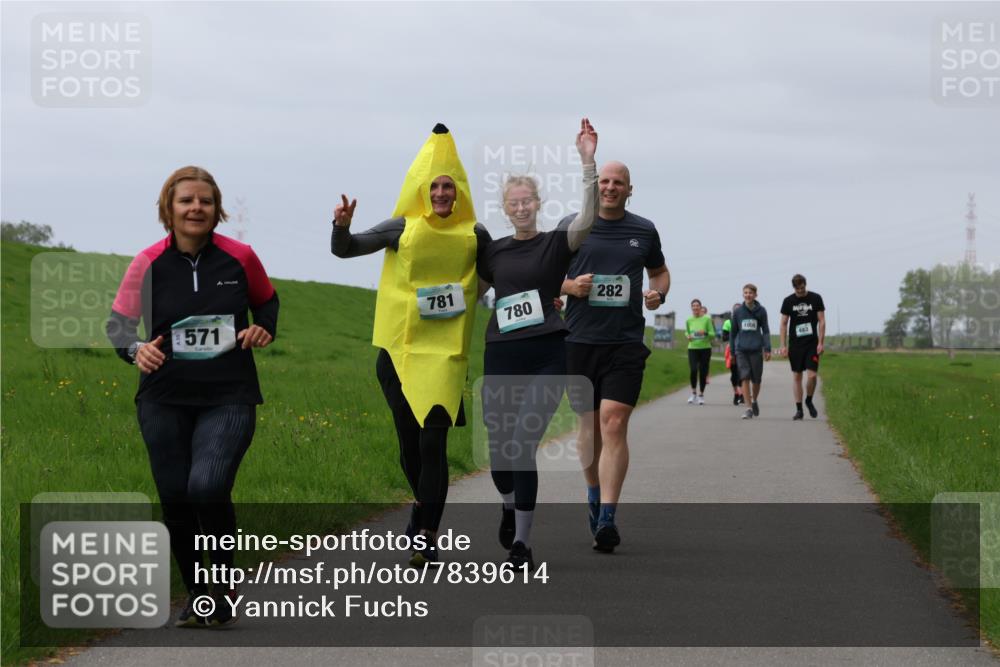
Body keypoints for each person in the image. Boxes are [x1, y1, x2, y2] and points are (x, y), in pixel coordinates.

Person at [107, 166, 279, 627]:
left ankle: (221, 583)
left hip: (229, 393)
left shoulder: (240, 257)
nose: (196, 208)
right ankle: (199, 593)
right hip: (163, 395)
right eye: (186, 200)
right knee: (176, 496)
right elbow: (118, 325)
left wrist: (264, 327)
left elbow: (267, 301)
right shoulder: (147, 262)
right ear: (169, 208)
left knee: (207, 486)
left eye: (205, 200)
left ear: (216, 208)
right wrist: (134, 350)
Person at [331, 124, 490, 567]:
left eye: (449, 186)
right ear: (422, 190)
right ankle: (422, 507)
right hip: (398, 354)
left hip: (444, 356)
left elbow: (505, 273)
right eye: (434, 186)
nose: (441, 193)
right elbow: (346, 250)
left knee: (432, 443)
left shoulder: (475, 234)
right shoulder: (402, 226)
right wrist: (340, 227)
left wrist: (550, 289)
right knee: (408, 443)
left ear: (459, 191)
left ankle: (426, 534)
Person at [479, 118, 598, 569]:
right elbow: (465, 289)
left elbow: (586, 218)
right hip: (502, 354)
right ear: (506, 209)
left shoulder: (555, 243)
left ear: (537, 204)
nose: (521, 206)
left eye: (527, 199)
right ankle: (508, 505)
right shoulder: (493, 252)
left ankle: (522, 545)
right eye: (514, 202)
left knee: (524, 440)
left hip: (549, 352)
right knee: (500, 450)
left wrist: (587, 161)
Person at [560, 161, 670, 553]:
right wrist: (571, 286)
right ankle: (593, 495)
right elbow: (545, 273)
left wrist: (659, 294)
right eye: (604, 181)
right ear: (595, 187)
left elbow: (659, 272)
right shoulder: (572, 226)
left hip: (624, 343)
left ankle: (607, 515)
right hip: (578, 341)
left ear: (629, 189)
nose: (610, 187)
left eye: (617, 183)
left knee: (614, 422)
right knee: (588, 428)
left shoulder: (643, 230)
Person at [779, 274, 826, 420]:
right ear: (793, 287)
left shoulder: (816, 298)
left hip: (812, 343)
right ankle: (799, 409)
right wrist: (783, 346)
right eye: (797, 289)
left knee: (812, 375)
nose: (799, 291)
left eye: (802, 288)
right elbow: (783, 323)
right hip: (796, 345)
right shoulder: (788, 301)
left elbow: (822, 321)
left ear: (805, 284)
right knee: (797, 376)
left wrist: (821, 342)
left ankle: (809, 400)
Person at [729, 284, 771, 419]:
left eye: (750, 293)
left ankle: (754, 400)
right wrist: (732, 352)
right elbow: (733, 333)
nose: (748, 295)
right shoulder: (738, 312)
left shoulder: (761, 311)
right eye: (745, 293)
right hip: (741, 349)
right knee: (744, 377)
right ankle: (748, 408)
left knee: (757, 380)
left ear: (755, 295)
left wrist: (767, 348)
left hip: (756, 350)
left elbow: (765, 330)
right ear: (743, 294)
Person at [685, 298, 714, 405]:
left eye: (697, 306)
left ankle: (701, 394)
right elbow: (687, 332)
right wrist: (687, 336)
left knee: (703, 371)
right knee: (693, 370)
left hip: (705, 348)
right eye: (693, 306)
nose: (695, 308)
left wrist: (705, 333)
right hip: (692, 348)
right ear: (691, 308)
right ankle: (693, 393)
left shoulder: (706, 319)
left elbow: (712, 334)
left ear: (700, 307)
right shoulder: (688, 320)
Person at [721, 303, 744, 405]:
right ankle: (736, 393)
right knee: (734, 375)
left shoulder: (744, 322)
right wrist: (734, 335)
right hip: (732, 350)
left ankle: (742, 395)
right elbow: (724, 337)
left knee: (742, 374)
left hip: (743, 350)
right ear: (733, 312)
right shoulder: (728, 322)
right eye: (735, 310)